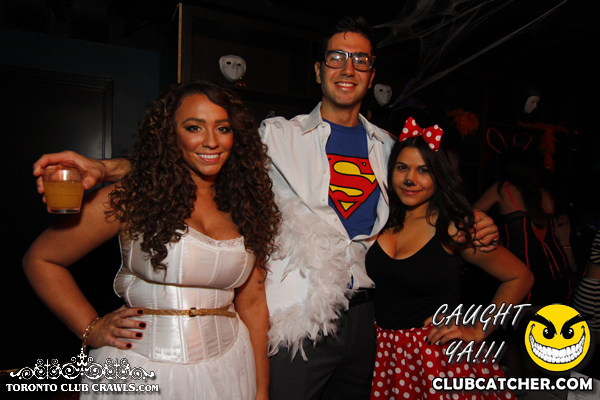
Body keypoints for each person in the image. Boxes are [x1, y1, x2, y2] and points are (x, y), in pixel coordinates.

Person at [32, 17, 500, 400]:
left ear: (372, 74)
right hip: (297, 317)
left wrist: (472, 220)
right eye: (336, 57)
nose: (348, 68)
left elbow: (423, 200)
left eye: (360, 59)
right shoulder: (275, 136)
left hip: (367, 318)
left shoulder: (390, 147)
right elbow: (196, 156)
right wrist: (106, 168)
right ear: (318, 70)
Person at [23, 81, 279, 399]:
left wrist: (261, 390)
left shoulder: (248, 204)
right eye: (194, 127)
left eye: (222, 128)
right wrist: (92, 328)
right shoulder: (131, 197)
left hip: (231, 367)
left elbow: (252, 304)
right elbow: (42, 259)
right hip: (144, 369)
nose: (211, 141)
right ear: (170, 134)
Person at [367, 117, 534, 399]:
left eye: (424, 170)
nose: (410, 179)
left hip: (437, 359)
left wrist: (479, 329)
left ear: (439, 176)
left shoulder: (453, 228)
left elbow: (520, 277)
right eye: (402, 167)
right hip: (385, 354)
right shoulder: (381, 219)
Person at [473, 138, 573, 306]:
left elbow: (469, 217)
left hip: (522, 272)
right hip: (556, 269)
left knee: (520, 319)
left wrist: (492, 236)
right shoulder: (545, 193)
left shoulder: (502, 188)